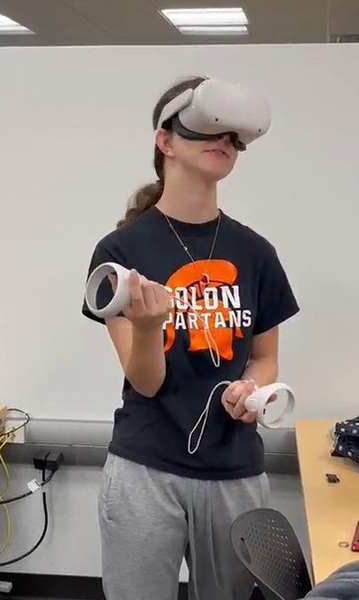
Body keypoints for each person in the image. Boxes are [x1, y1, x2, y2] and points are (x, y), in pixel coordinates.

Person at [82, 75, 299, 600]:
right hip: (145, 469)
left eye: (233, 139)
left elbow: (265, 358)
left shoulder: (256, 253)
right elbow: (145, 383)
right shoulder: (121, 252)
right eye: (206, 130)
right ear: (165, 142)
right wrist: (150, 326)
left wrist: (249, 388)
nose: (223, 143)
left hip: (235, 470)